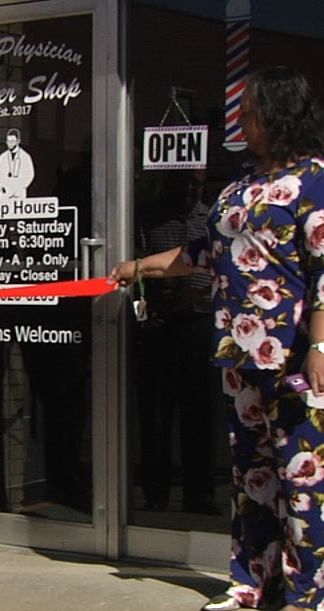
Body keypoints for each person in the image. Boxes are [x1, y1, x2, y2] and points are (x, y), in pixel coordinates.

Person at [111, 67, 324, 611]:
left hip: (295, 354)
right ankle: (253, 580)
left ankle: (310, 593)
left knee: (303, 472)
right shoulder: (239, 183)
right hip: (238, 351)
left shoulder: (315, 182)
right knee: (253, 472)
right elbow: (205, 251)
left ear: (278, 114)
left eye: (250, 111)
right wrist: (140, 268)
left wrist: (321, 345)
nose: (242, 121)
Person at [134, 170, 218, 514]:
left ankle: (200, 494)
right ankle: (156, 492)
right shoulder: (150, 219)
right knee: (156, 412)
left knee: (199, 412)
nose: (188, 190)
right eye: (182, 182)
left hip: (200, 322)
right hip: (161, 325)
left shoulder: (213, 218)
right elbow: (140, 264)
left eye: (195, 184)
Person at [0, 128, 35, 199]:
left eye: (12, 141)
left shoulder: (25, 157)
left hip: (19, 192)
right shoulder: (2, 157)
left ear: (18, 141)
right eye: (8, 141)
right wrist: (0, 186)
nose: (10, 143)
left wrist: (20, 186)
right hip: (5, 192)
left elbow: (29, 174)